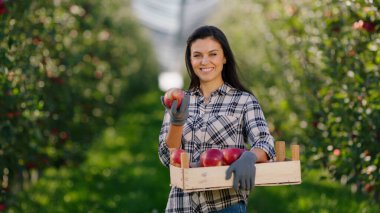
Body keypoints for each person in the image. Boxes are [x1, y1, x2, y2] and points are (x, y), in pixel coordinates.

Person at [158, 25, 276, 213]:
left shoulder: (243, 101)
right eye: (197, 55)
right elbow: (167, 157)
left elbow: (265, 141)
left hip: (224, 205)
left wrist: (250, 156)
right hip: (181, 206)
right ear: (190, 60)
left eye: (213, 54)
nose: (205, 61)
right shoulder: (180, 102)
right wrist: (176, 122)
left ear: (224, 57)